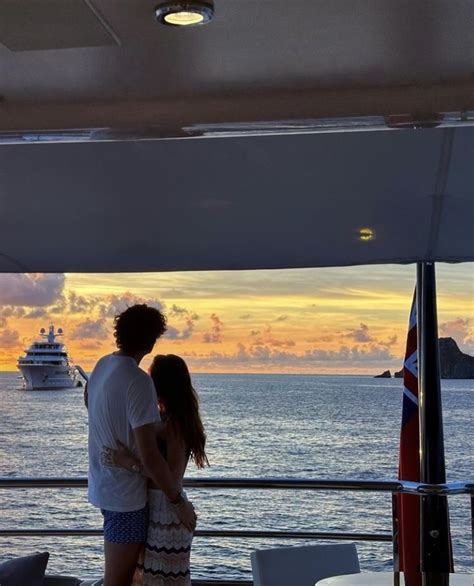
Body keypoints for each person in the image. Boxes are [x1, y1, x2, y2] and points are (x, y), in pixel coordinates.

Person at [87, 305, 196, 586]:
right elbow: (150, 455)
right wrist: (179, 502)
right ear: (151, 339)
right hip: (127, 500)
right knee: (118, 582)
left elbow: (90, 400)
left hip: (104, 487)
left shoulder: (102, 365)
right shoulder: (138, 381)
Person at [102, 354, 209, 586]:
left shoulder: (175, 424)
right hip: (161, 509)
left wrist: (127, 461)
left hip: (167, 512)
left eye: (151, 378)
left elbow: (169, 475)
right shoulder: (169, 418)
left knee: (157, 580)